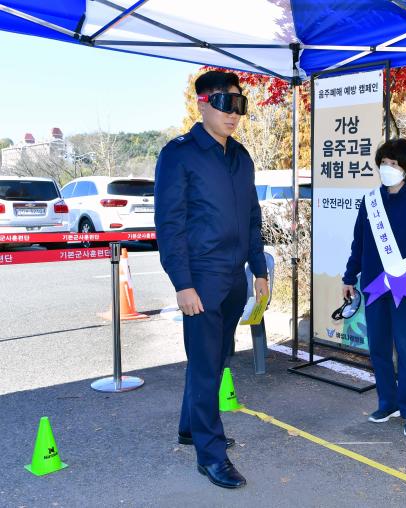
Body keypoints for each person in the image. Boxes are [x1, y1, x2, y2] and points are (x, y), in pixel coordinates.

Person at [155, 70, 269, 489]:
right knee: (205, 368)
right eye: (225, 103)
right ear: (202, 103)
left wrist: (259, 269)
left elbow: (253, 218)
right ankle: (211, 455)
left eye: (239, 104)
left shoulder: (241, 157)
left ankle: (190, 427)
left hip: (235, 277)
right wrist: (182, 283)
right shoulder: (179, 154)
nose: (233, 113)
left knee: (216, 361)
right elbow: (170, 224)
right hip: (200, 278)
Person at [342, 138, 406, 437]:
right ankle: (388, 402)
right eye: (384, 162)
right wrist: (349, 276)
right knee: (379, 347)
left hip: (405, 285)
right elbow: (359, 242)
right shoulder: (370, 200)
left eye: (394, 164)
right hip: (373, 284)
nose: (387, 168)